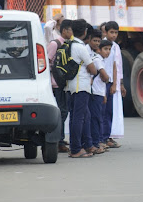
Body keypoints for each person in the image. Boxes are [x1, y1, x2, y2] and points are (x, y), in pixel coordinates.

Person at [67, 19, 97, 158]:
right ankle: (76, 149)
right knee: (79, 117)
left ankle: (85, 145)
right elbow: (93, 69)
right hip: (81, 85)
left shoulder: (69, 44)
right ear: (85, 32)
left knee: (80, 116)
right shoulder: (81, 47)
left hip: (72, 85)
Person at [48, 19, 73, 153]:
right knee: (61, 112)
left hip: (63, 84)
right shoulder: (55, 44)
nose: (72, 33)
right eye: (71, 30)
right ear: (64, 31)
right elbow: (47, 62)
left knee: (64, 112)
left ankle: (60, 139)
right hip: (56, 83)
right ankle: (58, 140)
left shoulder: (68, 44)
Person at [102, 21, 126, 148]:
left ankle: (109, 136)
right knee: (104, 111)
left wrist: (120, 84)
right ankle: (103, 137)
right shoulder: (103, 45)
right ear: (106, 32)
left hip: (114, 82)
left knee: (111, 111)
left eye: (116, 32)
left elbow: (118, 66)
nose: (114, 35)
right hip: (106, 82)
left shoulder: (116, 46)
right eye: (111, 32)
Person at [89, 39, 112, 154]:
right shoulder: (98, 60)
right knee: (96, 118)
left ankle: (96, 141)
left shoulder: (100, 60)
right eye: (105, 49)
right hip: (95, 93)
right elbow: (104, 76)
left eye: (109, 49)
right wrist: (107, 78)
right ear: (99, 49)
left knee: (98, 118)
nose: (108, 52)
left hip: (99, 92)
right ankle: (95, 142)